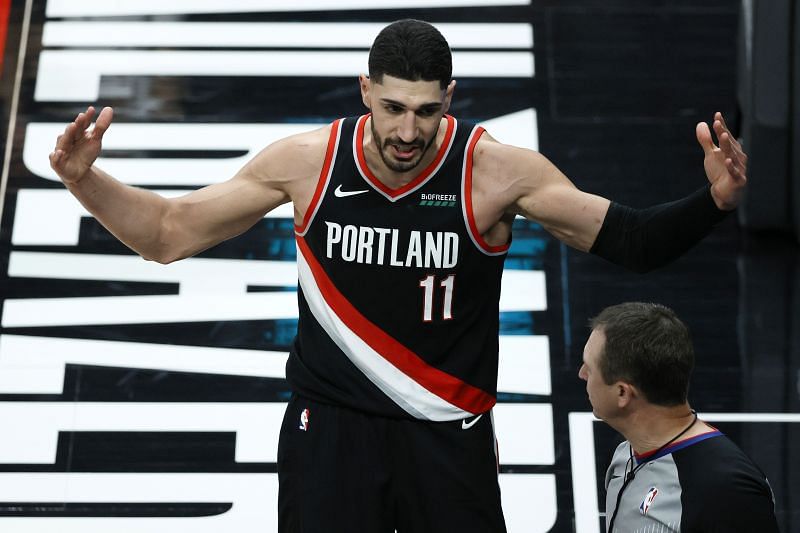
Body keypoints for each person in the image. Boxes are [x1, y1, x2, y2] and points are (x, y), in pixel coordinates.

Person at [50, 19, 748, 533]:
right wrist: (86, 182)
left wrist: (712, 202)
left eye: (426, 110)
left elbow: (631, 239)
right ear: (365, 91)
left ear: (450, 96)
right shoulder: (307, 162)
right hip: (331, 429)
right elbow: (169, 235)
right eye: (391, 108)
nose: (408, 131)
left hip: (446, 434)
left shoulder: (494, 172)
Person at [579, 302, 779, 532]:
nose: (581, 374)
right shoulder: (626, 452)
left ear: (623, 392)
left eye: (589, 367)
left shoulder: (727, 491)